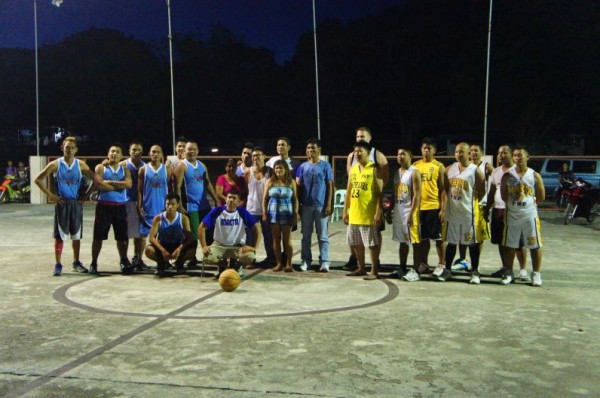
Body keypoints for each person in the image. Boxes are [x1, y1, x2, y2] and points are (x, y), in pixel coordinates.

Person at [33, 137, 96, 276]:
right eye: (67, 147)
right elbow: (37, 179)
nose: (70, 150)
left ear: (76, 150)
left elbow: (95, 178)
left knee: (76, 235)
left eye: (72, 148)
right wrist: (50, 195)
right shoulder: (56, 164)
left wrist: (86, 195)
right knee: (59, 235)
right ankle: (58, 264)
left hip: (76, 202)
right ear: (62, 148)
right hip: (62, 203)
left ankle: (76, 262)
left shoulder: (80, 165)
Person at [343, 127, 389, 270]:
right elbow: (350, 188)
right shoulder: (353, 163)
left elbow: (382, 185)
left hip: (369, 211)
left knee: (372, 241)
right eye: (358, 137)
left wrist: (379, 210)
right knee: (355, 241)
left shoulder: (376, 161)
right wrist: (345, 209)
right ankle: (360, 266)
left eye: (362, 137)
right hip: (355, 212)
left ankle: (375, 267)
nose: (360, 139)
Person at [439, 142, 485, 284]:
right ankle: (447, 270)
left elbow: (482, 191)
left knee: (472, 243)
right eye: (457, 152)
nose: (459, 154)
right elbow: (445, 191)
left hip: (468, 213)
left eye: (462, 152)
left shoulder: (475, 170)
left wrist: (472, 203)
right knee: (451, 243)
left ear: (468, 154)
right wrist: (443, 208)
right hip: (452, 213)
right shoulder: (449, 169)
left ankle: (475, 271)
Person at [500, 147, 545, 286]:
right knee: (510, 245)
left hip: (529, 215)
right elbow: (503, 195)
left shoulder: (534, 175)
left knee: (534, 245)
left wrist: (529, 205)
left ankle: (536, 274)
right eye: (515, 156)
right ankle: (509, 273)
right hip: (512, 215)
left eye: (520, 155)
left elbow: (541, 196)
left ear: (527, 157)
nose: (517, 158)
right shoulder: (508, 175)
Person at [486, 145, 529, 280]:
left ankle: (523, 269)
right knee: (501, 241)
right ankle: (506, 267)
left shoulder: (516, 172)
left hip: (513, 211)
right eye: (499, 153)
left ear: (512, 155)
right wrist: (487, 209)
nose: (501, 155)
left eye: (504, 153)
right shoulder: (496, 171)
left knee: (518, 241)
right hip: (498, 209)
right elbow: (492, 192)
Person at [90, 144, 133, 274]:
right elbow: (99, 184)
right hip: (104, 207)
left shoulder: (125, 170)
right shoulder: (101, 167)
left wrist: (108, 182)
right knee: (98, 237)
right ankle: (94, 263)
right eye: (112, 151)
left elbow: (129, 184)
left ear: (121, 156)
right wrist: (119, 186)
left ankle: (124, 260)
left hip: (120, 207)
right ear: (108, 154)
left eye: (117, 152)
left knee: (122, 238)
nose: (114, 154)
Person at [199, 189, 262, 277]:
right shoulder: (217, 211)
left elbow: (257, 228)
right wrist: (204, 246)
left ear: (238, 201)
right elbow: (201, 227)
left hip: (238, 246)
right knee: (208, 258)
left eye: (234, 198)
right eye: (229, 197)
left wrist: (254, 248)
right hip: (219, 245)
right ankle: (221, 265)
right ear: (226, 199)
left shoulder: (242, 212)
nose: (231, 200)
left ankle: (237, 265)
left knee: (250, 257)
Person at [175, 140, 218, 260]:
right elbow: (177, 187)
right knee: (193, 235)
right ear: (185, 151)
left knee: (209, 232)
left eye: (194, 149)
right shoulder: (182, 166)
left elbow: (208, 183)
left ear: (198, 151)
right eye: (189, 149)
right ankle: (189, 258)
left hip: (205, 205)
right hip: (191, 207)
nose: (192, 151)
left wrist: (215, 199)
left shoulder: (202, 165)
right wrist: (179, 205)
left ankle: (210, 258)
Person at [296, 138, 333, 272]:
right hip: (306, 206)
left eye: (313, 148)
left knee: (322, 235)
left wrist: (329, 203)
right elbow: (298, 186)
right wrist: (298, 205)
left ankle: (324, 261)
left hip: (321, 206)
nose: (310, 150)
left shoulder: (325, 166)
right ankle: (306, 260)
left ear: (319, 150)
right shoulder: (302, 167)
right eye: (308, 148)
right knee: (306, 235)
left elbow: (330, 185)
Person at [454, 144, 493, 270]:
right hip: (464, 206)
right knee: (462, 235)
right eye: (471, 151)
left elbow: (494, 184)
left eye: (476, 151)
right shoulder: (463, 167)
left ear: (482, 153)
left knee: (478, 237)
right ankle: (462, 259)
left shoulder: (486, 167)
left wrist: (489, 203)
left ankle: (475, 263)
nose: (473, 153)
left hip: (480, 205)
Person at [387, 148, 422, 281]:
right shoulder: (397, 173)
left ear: (410, 156)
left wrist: (412, 214)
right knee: (402, 242)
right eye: (398, 154)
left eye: (403, 154)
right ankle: (402, 267)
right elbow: (394, 193)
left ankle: (416, 270)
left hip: (409, 211)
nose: (400, 156)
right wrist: (389, 210)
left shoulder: (414, 173)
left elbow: (417, 196)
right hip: (398, 210)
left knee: (414, 242)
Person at [412, 137, 446, 276]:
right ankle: (424, 264)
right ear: (421, 149)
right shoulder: (415, 166)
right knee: (423, 240)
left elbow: (443, 189)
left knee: (438, 239)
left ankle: (441, 264)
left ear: (434, 150)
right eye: (424, 147)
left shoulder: (439, 166)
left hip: (434, 207)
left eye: (429, 148)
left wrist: (443, 209)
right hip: (420, 208)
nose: (426, 150)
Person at [145, 193, 195, 277]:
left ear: (178, 205)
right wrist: (163, 250)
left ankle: (179, 263)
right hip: (163, 245)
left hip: (177, 245)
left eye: (173, 204)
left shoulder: (183, 218)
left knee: (192, 251)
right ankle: (161, 263)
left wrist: (178, 249)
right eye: (168, 204)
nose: (170, 207)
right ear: (165, 204)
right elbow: (151, 238)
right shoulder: (158, 218)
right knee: (148, 250)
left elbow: (189, 238)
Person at [263, 159, 299, 272]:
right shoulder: (270, 181)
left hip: (287, 213)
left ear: (286, 169)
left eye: (281, 168)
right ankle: (279, 263)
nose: (278, 170)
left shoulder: (291, 181)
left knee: (287, 240)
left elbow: (295, 199)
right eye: (276, 168)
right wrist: (264, 213)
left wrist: (295, 213)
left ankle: (289, 263)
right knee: (276, 239)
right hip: (273, 214)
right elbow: (265, 199)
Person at [138, 144, 171, 263]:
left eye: (158, 152)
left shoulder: (167, 169)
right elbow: (140, 190)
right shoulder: (143, 169)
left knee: (161, 238)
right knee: (142, 237)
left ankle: (162, 261)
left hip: (162, 209)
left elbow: (169, 189)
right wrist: (139, 206)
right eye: (153, 152)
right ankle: (138, 259)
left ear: (162, 154)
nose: (155, 154)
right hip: (148, 208)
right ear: (149, 154)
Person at [244, 146, 276, 266]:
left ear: (264, 157)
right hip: (251, 209)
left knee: (268, 236)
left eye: (258, 155)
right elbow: (247, 191)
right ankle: (250, 259)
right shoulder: (248, 172)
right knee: (250, 237)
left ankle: (271, 259)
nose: (256, 158)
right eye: (254, 156)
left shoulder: (270, 172)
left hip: (266, 210)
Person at [122, 141, 147, 270]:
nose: (136, 152)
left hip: (143, 203)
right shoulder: (123, 165)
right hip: (127, 203)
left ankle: (138, 258)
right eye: (134, 149)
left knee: (141, 234)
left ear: (142, 152)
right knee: (128, 233)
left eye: (139, 150)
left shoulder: (146, 166)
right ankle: (125, 259)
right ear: (129, 151)